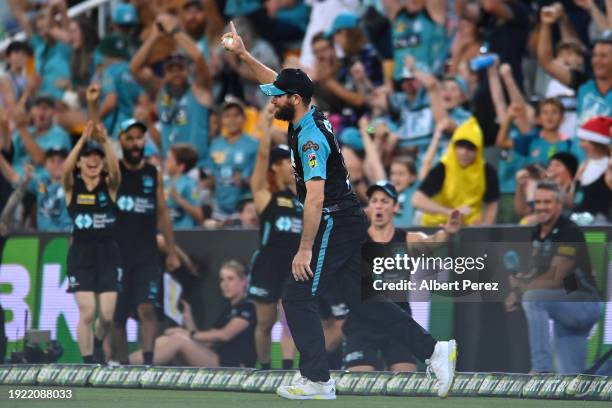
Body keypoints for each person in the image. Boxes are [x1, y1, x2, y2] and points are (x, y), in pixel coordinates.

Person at [222, 22, 456, 400]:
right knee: (362, 305)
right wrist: (245, 55)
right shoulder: (305, 111)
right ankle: (434, 350)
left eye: (278, 97)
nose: (271, 100)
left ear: (293, 100)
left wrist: (303, 249)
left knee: (297, 295)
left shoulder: (310, 138)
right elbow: (274, 80)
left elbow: (314, 199)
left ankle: (318, 380)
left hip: (334, 219)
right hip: (345, 217)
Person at [343, 181, 461, 372]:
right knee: (360, 382)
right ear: (369, 207)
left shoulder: (407, 240)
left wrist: (447, 232)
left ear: (396, 207)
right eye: (374, 201)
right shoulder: (355, 240)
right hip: (362, 321)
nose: (379, 205)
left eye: (385, 201)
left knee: (405, 383)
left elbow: (433, 242)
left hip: (398, 321)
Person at [504, 180, 602, 374]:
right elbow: (537, 271)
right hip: (564, 310)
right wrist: (520, 281)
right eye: (538, 202)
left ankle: (541, 369)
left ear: (559, 204)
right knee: (571, 381)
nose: (541, 207)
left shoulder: (569, 232)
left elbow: (555, 278)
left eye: (547, 202)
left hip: (583, 302)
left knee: (533, 299)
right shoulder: (537, 232)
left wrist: (521, 290)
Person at [110, 114, 182, 366]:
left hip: (146, 253)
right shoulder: (114, 172)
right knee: (116, 317)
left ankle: (147, 364)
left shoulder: (153, 173)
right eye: (130, 139)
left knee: (147, 309)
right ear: (121, 141)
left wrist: (171, 251)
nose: (135, 143)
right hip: (117, 254)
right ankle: (120, 366)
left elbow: (162, 212)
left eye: (139, 138)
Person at [62, 120, 121, 364]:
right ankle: (88, 364)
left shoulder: (110, 186)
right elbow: (66, 170)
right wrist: (82, 141)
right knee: (87, 312)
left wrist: (105, 141)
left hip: (107, 253)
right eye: (88, 157)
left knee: (106, 316)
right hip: (81, 255)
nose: (93, 161)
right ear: (80, 162)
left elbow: (116, 172)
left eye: (97, 157)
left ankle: (96, 344)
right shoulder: (71, 187)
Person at [248, 104, 302, 370]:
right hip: (268, 263)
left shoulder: (302, 201)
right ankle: (265, 367)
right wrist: (267, 126)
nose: (286, 167)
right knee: (265, 322)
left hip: (293, 265)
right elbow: (259, 161)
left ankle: (288, 368)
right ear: (274, 168)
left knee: (290, 318)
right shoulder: (265, 196)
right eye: (281, 163)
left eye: (287, 162)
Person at [129, 260, 256, 367]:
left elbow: (225, 335)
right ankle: (125, 363)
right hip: (221, 359)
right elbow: (207, 342)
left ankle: (127, 365)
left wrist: (187, 333)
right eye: (222, 280)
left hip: (236, 366)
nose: (225, 284)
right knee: (173, 337)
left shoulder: (249, 307)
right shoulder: (229, 310)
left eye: (230, 279)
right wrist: (188, 319)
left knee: (179, 339)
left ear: (244, 281)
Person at [130, 13, 213, 167]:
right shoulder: (161, 91)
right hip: (171, 169)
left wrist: (175, 32)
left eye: (180, 68)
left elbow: (200, 60)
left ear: (187, 71)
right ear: (164, 73)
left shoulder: (199, 90)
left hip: (198, 168)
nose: (175, 73)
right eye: (171, 69)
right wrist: (154, 36)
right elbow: (134, 69)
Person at [412, 117, 500, 226]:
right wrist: (450, 212)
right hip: (437, 224)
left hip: (469, 227)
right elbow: (417, 200)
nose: (464, 152)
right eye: (460, 146)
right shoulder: (443, 168)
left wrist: (484, 226)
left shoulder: (488, 171)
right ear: (454, 146)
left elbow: (492, 205)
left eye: (470, 148)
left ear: (479, 149)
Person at [538, 7, 612, 129]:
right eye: (594, 55)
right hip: (577, 148)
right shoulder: (583, 83)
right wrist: (546, 25)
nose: (597, 61)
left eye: (603, 56)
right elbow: (547, 63)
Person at [208, 98, 259, 218]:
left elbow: (262, 177)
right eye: (227, 116)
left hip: (245, 206)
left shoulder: (254, 144)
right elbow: (212, 174)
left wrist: (245, 181)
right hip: (218, 207)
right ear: (221, 120)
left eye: (236, 115)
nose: (232, 120)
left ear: (244, 118)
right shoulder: (215, 144)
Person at [11, 96, 72, 175]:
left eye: (46, 108)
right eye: (37, 107)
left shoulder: (60, 135)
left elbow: (41, 159)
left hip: (41, 182)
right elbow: (7, 154)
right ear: (31, 112)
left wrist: (22, 129)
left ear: (54, 112)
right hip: (14, 177)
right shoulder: (27, 130)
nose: (41, 111)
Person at [574, 116, 612, 220]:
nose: (580, 145)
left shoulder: (609, 166)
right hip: (578, 225)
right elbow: (573, 199)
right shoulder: (583, 166)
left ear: (595, 142)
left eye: (583, 141)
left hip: (599, 230)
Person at [164, 144, 203, 229]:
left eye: (169, 160)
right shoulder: (165, 183)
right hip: (167, 232)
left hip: (185, 234)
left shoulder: (192, 185)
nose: (165, 162)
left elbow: (199, 214)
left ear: (181, 166)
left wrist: (178, 199)